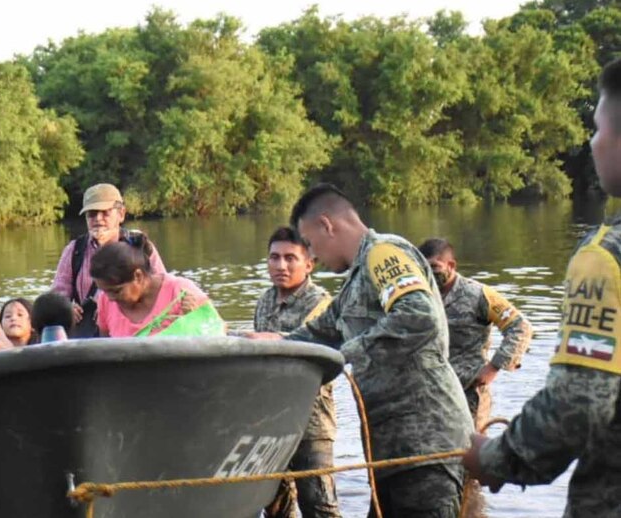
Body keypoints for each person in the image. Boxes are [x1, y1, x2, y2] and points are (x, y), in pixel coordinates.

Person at [245, 184, 473, 518]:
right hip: (391, 448)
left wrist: (346, 354)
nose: (314, 256)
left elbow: (418, 315)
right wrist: (275, 342)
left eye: (309, 243)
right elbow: (320, 331)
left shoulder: (383, 253)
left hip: (425, 445)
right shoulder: (355, 280)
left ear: (327, 225)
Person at [462, 57, 621, 517]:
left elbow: (580, 403)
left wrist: (495, 457)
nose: (592, 143)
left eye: (598, 128)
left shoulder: (604, 259)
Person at [254, 227, 340, 518]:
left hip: (310, 421)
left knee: (319, 505)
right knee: (276, 506)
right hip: (271, 419)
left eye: (290, 258)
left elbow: (312, 352)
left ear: (309, 264)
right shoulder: (265, 301)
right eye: (274, 257)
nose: (281, 266)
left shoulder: (321, 303)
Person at [419, 238, 532, 431]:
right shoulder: (420, 296)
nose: (429, 273)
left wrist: (494, 367)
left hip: (469, 389)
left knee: (470, 452)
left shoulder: (478, 295)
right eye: (423, 268)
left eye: (434, 267)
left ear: (451, 265)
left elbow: (520, 326)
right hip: (431, 390)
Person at [51, 183, 166, 337]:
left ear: (121, 214)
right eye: (91, 214)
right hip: (91, 335)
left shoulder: (141, 246)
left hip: (136, 330)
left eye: (105, 213)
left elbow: (162, 290)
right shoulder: (74, 250)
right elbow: (57, 297)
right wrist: (66, 310)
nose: (98, 219)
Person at [89, 232, 211, 337]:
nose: (110, 298)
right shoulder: (105, 301)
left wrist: (194, 316)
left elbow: (218, 332)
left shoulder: (180, 291)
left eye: (116, 291)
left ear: (138, 276)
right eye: (105, 291)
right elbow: (105, 346)